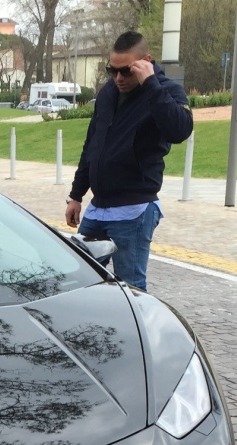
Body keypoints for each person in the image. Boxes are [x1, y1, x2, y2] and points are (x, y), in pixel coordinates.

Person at [65, 30, 192, 291]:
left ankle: (134, 332)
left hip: (133, 209)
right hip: (98, 208)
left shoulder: (165, 91)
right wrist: (76, 195)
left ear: (146, 61)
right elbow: (92, 144)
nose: (119, 78)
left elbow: (180, 130)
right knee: (80, 280)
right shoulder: (108, 92)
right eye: (113, 70)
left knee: (130, 289)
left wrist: (151, 84)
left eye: (127, 71)